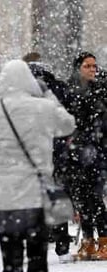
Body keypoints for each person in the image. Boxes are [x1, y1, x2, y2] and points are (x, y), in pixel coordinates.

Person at [0, 60, 75, 272]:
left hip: (3, 196)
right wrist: (48, 95)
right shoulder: (44, 107)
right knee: (37, 257)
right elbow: (67, 125)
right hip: (35, 195)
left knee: (11, 259)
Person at [25, 53, 76, 263]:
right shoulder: (56, 90)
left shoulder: (22, 94)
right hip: (57, 153)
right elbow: (69, 121)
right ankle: (62, 244)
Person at [63, 52, 107, 260]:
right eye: (87, 66)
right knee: (81, 199)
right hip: (74, 154)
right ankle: (88, 240)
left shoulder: (101, 89)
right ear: (78, 68)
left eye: (94, 66)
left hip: (96, 152)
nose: (92, 70)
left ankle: (105, 240)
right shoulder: (69, 90)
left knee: (95, 197)